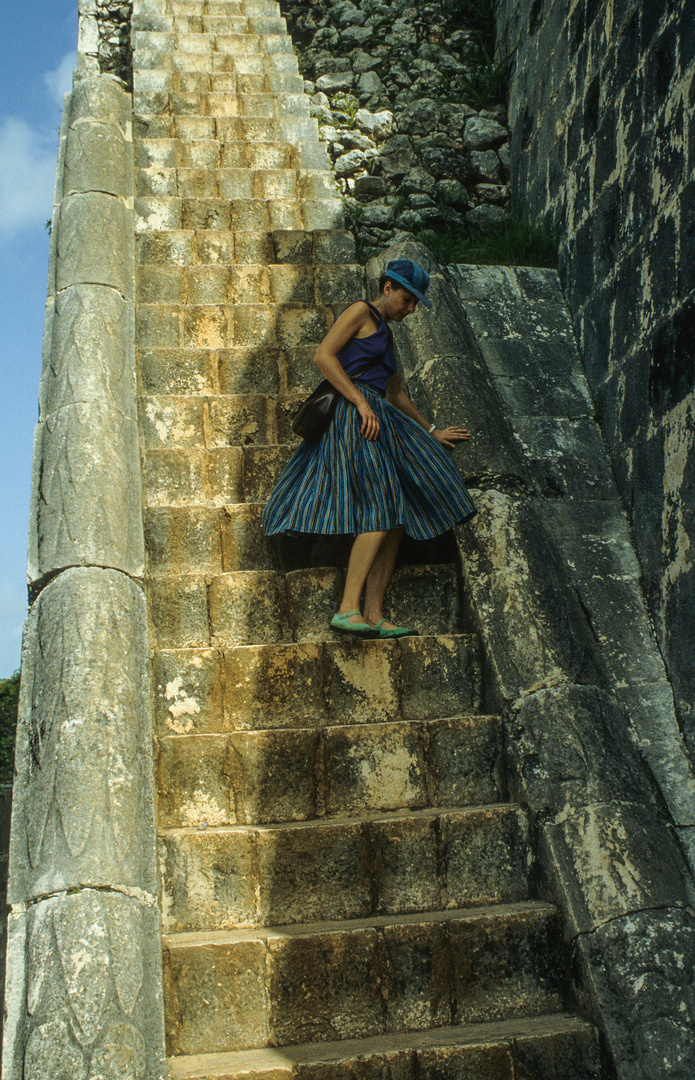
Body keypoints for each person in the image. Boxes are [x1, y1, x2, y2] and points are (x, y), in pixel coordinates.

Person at [262, 258, 476, 638]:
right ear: (388, 288)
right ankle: (347, 610)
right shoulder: (361, 311)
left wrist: (431, 430)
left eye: (415, 304)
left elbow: (395, 393)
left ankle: (374, 614)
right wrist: (360, 402)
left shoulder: (386, 335)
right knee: (380, 505)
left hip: (377, 415)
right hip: (355, 417)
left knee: (394, 516)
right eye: (407, 300)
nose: (410, 310)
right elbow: (323, 356)